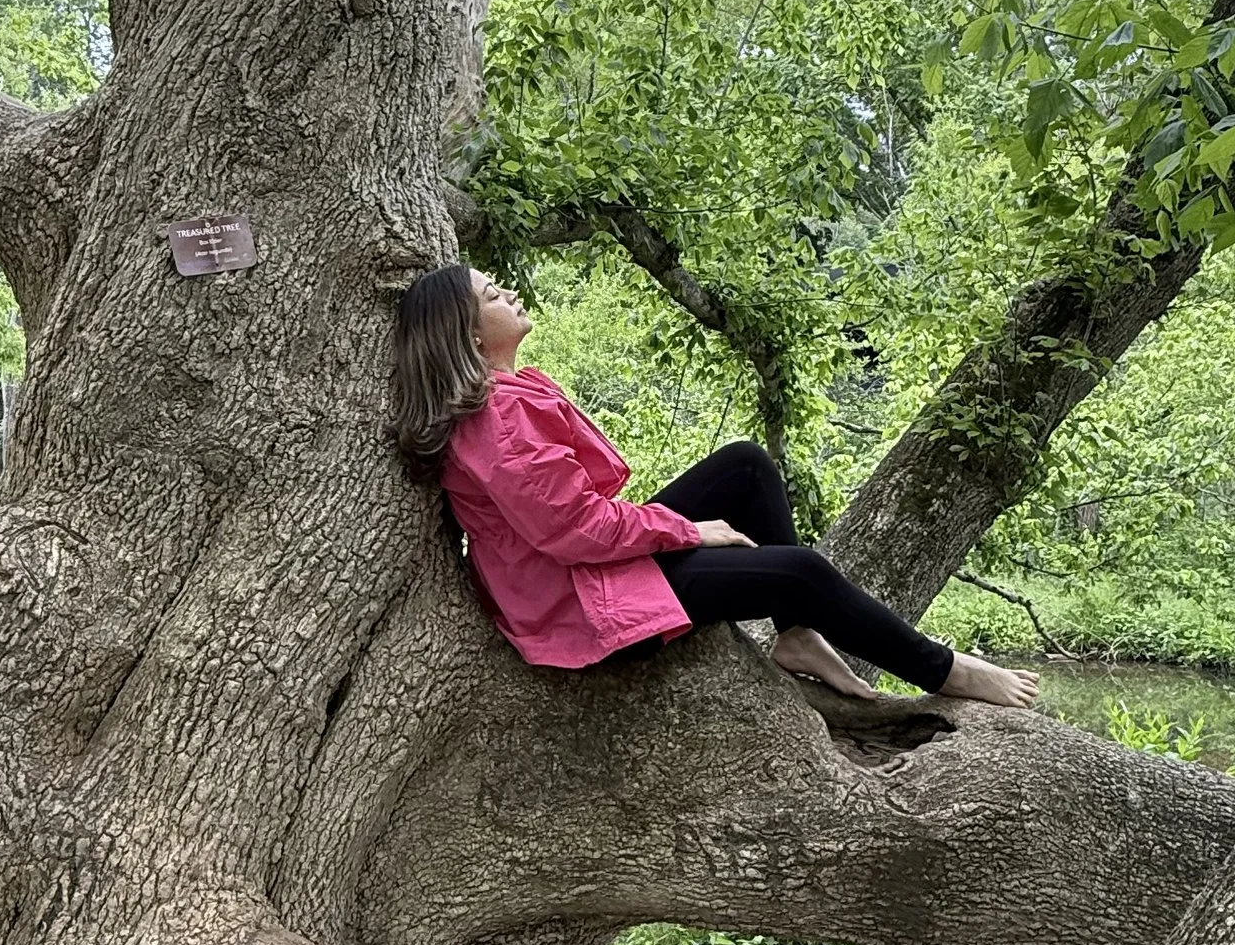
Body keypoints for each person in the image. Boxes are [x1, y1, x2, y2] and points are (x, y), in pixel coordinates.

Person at [388, 263, 1038, 707]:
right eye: (493, 296)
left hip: (578, 574)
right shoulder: (497, 418)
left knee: (745, 465)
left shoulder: (501, 399)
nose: (510, 294)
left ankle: (796, 634)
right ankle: (944, 671)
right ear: (470, 334)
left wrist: (677, 529)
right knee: (802, 571)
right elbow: (575, 530)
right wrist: (690, 529)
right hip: (581, 604)